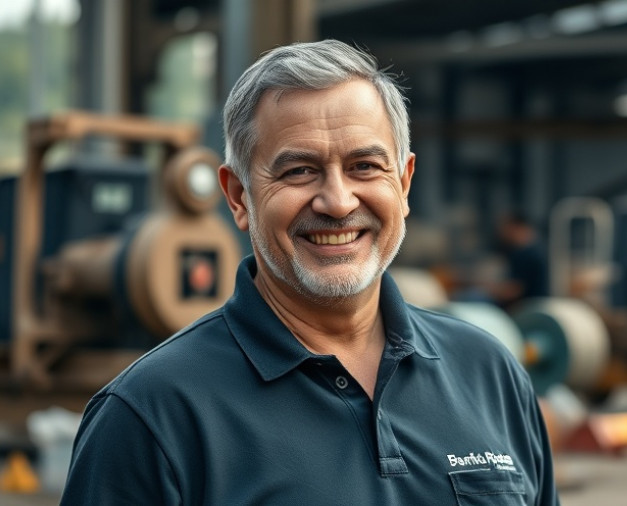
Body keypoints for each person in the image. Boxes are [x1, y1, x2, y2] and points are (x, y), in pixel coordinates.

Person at [61, 40, 558, 505]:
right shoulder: (152, 415)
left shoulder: (490, 373)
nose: (339, 202)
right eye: (298, 171)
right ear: (238, 197)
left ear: (404, 184)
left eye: (365, 166)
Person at [490, 212, 550, 309]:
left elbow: (514, 290)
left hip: (526, 308)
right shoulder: (540, 249)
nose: (501, 233)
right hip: (541, 305)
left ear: (516, 227)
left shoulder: (524, 253)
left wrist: (489, 290)